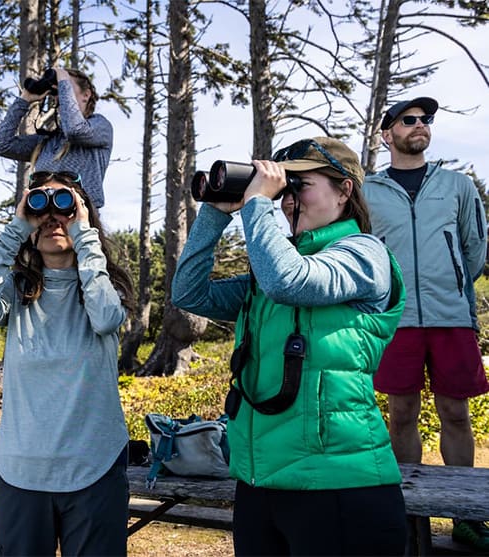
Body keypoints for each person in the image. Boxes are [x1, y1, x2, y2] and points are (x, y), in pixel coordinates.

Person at [172, 137, 408, 555]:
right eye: (283, 189)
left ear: (344, 190)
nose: (285, 200)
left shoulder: (365, 253)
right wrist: (214, 213)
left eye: (300, 185)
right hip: (260, 482)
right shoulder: (272, 266)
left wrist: (257, 204)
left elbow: (291, 281)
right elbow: (190, 295)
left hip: (339, 483)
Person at [0, 171, 135, 556]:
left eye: (66, 205)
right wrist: (17, 227)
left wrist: (84, 236)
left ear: (83, 215)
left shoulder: (103, 284)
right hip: (22, 469)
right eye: (42, 206)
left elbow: (106, 317)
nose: (53, 217)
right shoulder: (17, 288)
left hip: (94, 465)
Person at [364, 96, 489, 550]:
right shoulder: (368, 191)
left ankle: (464, 516)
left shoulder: (457, 185)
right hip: (395, 318)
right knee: (401, 416)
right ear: (387, 134)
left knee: (456, 412)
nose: (420, 125)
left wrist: (453, 283)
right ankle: (411, 516)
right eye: (408, 120)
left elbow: (475, 248)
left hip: (451, 316)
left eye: (425, 120)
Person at [0, 67, 112, 209]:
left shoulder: (100, 125)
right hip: (45, 218)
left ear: (86, 95)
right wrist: (25, 100)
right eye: (58, 91)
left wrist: (63, 78)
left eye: (66, 89)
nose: (60, 95)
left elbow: (75, 130)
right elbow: (0, 145)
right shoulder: (48, 141)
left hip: (80, 221)